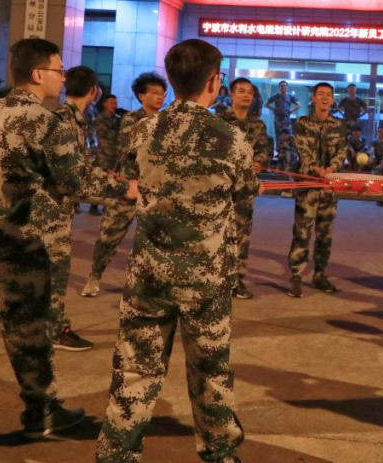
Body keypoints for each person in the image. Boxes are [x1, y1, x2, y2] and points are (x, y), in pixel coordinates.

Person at [0, 38, 133, 450]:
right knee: (30, 333)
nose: (62, 79)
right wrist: (127, 188)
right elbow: (76, 180)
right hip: (21, 247)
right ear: (39, 74)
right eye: (59, 70)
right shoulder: (46, 121)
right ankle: (42, 412)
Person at [97, 39, 258, 463]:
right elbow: (246, 190)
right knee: (210, 369)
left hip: (149, 272)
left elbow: (130, 181)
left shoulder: (142, 130)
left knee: (135, 369)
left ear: (171, 80)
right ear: (214, 81)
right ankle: (219, 452)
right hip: (206, 278)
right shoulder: (232, 137)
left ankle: (116, 454)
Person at [82, 72, 167, 297]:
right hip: (127, 186)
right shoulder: (131, 119)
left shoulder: (166, 121)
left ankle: (148, 283)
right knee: (109, 235)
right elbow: (135, 148)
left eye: (162, 93)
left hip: (154, 189)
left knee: (154, 239)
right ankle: (94, 276)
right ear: (141, 96)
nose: (160, 97)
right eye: (154, 93)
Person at [44, 65, 101, 353]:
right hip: (52, 210)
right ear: (94, 91)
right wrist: (119, 190)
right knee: (55, 272)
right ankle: (55, 331)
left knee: (51, 271)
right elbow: (72, 176)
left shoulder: (75, 118)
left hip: (60, 207)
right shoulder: (65, 121)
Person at [286, 82, 347, 298]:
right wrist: (316, 169)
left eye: (328, 94)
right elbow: (302, 149)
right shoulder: (302, 123)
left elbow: (342, 151)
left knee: (325, 235)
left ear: (332, 100)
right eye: (320, 94)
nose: (324, 97)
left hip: (329, 188)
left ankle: (320, 274)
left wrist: (331, 169)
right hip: (308, 187)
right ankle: (296, 275)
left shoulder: (339, 125)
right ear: (313, 98)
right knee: (302, 232)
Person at [218, 76, 272, 300]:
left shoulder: (257, 124)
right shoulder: (219, 121)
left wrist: (258, 162)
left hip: (245, 189)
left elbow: (264, 149)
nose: (246, 95)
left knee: (242, 235)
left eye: (250, 92)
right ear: (231, 95)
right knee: (218, 234)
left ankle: (238, 280)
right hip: (221, 187)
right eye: (241, 91)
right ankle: (216, 280)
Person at [91, 94, 122, 215]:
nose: (114, 105)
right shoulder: (100, 118)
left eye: (115, 103)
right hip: (103, 154)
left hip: (115, 154)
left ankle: (107, 206)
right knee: (99, 180)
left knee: (112, 181)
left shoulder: (118, 118)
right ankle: (94, 206)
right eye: (111, 103)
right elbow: (103, 133)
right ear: (105, 104)